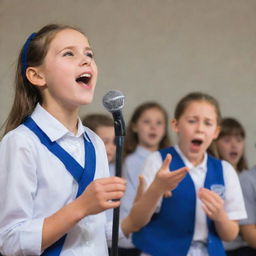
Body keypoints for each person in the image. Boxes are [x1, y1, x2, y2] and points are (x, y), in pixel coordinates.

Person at [0, 24, 129, 256]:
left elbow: (99, 233)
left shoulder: (95, 143)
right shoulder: (21, 143)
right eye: (69, 53)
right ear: (37, 75)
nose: (86, 60)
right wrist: (81, 207)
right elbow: (10, 241)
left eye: (89, 54)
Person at [127, 92, 247, 256]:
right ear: (176, 125)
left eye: (208, 123)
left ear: (216, 132)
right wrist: (156, 190)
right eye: (192, 121)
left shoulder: (225, 170)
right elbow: (137, 221)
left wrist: (220, 216)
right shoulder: (157, 161)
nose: (199, 128)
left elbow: (230, 234)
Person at [119, 102, 171, 255]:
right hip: (133, 237)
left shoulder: (168, 160)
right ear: (135, 127)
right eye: (147, 122)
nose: (153, 127)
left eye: (159, 123)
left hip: (157, 236)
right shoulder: (132, 161)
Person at [214, 118, 256, 256]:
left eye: (239, 140)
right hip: (226, 247)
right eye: (227, 141)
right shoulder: (212, 178)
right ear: (215, 144)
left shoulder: (244, 175)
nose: (234, 146)